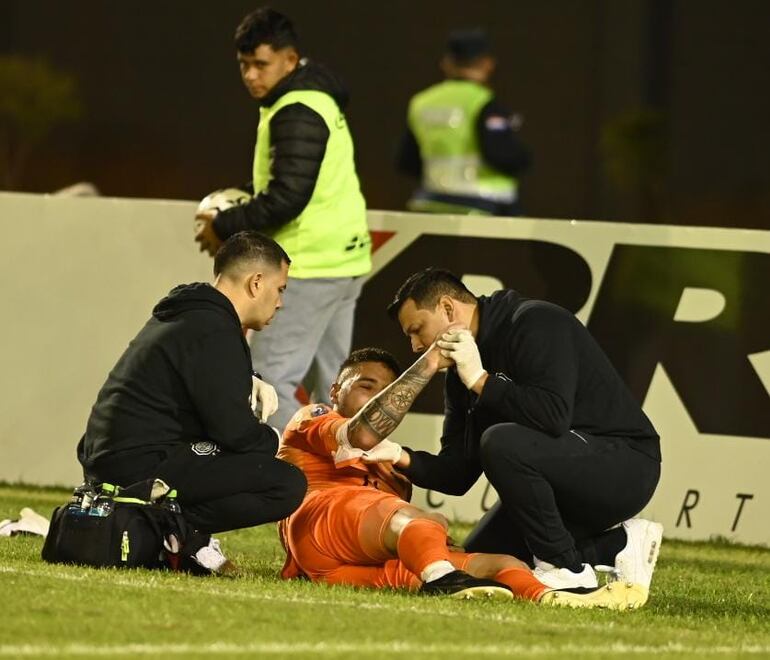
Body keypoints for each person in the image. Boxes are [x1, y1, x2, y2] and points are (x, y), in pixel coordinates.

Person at [276, 346, 646, 609]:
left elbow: (440, 482)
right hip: (317, 525)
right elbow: (358, 436)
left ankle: (548, 597)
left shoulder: (391, 467)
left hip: (343, 569)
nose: (379, 399)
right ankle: (441, 579)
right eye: (365, 386)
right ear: (336, 390)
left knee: (502, 565)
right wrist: (430, 361)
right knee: (424, 520)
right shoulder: (315, 416)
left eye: (388, 392)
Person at [385, 267, 663, 603]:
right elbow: (458, 472)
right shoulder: (460, 372)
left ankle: (567, 571)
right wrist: (395, 454)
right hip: (563, 481)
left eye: (417, 330)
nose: (415, 346)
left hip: (625, 467)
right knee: (479, 563)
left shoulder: (536, 322)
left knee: (501, 442)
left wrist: (481, 382)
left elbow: (552, 416)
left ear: (447, 309)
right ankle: (618, 545)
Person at [77, 231, 307, 573]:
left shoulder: (194, 314)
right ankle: (169, 532)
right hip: (137, 466)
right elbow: (236, 433)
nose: (280, 302)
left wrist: (250, 379)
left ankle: (174, 532)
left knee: (242, 459)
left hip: (114, 460)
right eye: (281, 289)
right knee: (285, 483)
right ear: (257, 282)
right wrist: (276, 440)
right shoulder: (214, 328)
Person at [194, 8, 371, 431]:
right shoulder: (313, 97)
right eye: (244, 65)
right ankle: (346, 487)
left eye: (261, 64)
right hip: (343, 261)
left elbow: (287, 197)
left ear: (290, 61)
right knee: (337, 391)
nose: (251, 76)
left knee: (268, 385)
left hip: (309, 265)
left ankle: (292, 487)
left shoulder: (296, 108)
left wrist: (223, 224)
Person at [396, 29, 531, 216]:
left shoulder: (421, 102)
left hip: (432, 202)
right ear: (487, 64)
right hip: (486, 204)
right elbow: (501, 154)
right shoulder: (484, 103)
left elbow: (407, 161)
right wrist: (524, 157)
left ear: (446, 63)